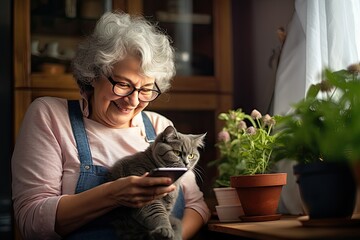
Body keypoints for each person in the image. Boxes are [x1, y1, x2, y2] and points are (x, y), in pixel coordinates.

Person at [12, 11, 211, 239]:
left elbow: (197, 206)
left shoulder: (160, 127)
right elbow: (30, 221)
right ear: (94, 75)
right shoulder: (51, 116)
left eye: (146, 89)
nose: (133, 100)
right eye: (123, 84)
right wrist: (112, 195)